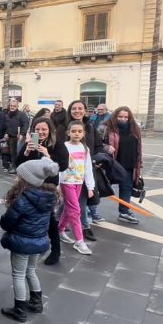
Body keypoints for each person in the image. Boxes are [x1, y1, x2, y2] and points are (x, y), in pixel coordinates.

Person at [0, 158, 59, 322]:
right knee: (30, 271)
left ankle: (19, 309)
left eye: (19, 176)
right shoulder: (48, 196)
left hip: (22, 243)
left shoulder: (23, 200)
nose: (16, 178)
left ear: (27, 179)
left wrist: (5, 221)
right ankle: (36, 303)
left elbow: (7, 222)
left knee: (18, 274)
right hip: (39, 242)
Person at [16, 117, 70, 265]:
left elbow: (63, 165)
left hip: (48, 188)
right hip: (29, 186)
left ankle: (55, 251)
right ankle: (38, 247)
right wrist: (26, 152)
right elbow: (18, 165)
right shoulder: (30, 144)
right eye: (37, 129)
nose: (40, 132)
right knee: (33, 218)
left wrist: (48, 155)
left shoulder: (57, 145)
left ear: (50, 130)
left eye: (44, 129)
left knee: (50, 220)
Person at [58, 121, 95, 255]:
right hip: (66, 181)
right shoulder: (64, 146)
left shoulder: (85, 149)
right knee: (75, 209)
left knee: (70, 209)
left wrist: (90, 186)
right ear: (68, 133)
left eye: (79, 131)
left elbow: (88, 168)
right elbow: (58, 167)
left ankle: (60, 229)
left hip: (79, 182)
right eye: (73, 131)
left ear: (83, 133)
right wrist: (57, 185)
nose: (76, 133)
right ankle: (79, 241)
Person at [67, 99, 103, 239]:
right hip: (69, 171)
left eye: (80, 108)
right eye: (74, 108)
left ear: (85, 110)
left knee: (81, 201)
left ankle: (84, 227)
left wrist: (97, 159)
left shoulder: (90, 127)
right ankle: (63, 226)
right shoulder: (65, 127)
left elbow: (99, 146)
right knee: (69, 203)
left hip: (86, 170)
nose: (77, 111)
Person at [103, 106, 143, 224]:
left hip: (130, 165)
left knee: (126, 189)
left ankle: (124, 212)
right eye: (120, 116)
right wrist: (106, 148)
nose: (123, 119)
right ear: (115, 116)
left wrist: (139, 164)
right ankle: (88, 211)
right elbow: (98, 144)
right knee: (99, 187)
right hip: (112, 164)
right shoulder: (107, 127)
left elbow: (139, 148)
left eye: (126, 117)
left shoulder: (135, 129)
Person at [3, 100, 25, 173]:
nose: (12, 107)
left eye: (14, 106)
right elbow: (6, 126)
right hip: (11, 137)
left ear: (17, 106)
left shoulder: (21, 114)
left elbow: (25, 125)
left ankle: (20, 169)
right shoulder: (8, 114)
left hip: (19, 138)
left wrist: (22, 134)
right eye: (11, 106)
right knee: (12, 154)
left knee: (20, 153)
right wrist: (6, 133)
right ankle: (14, 167)